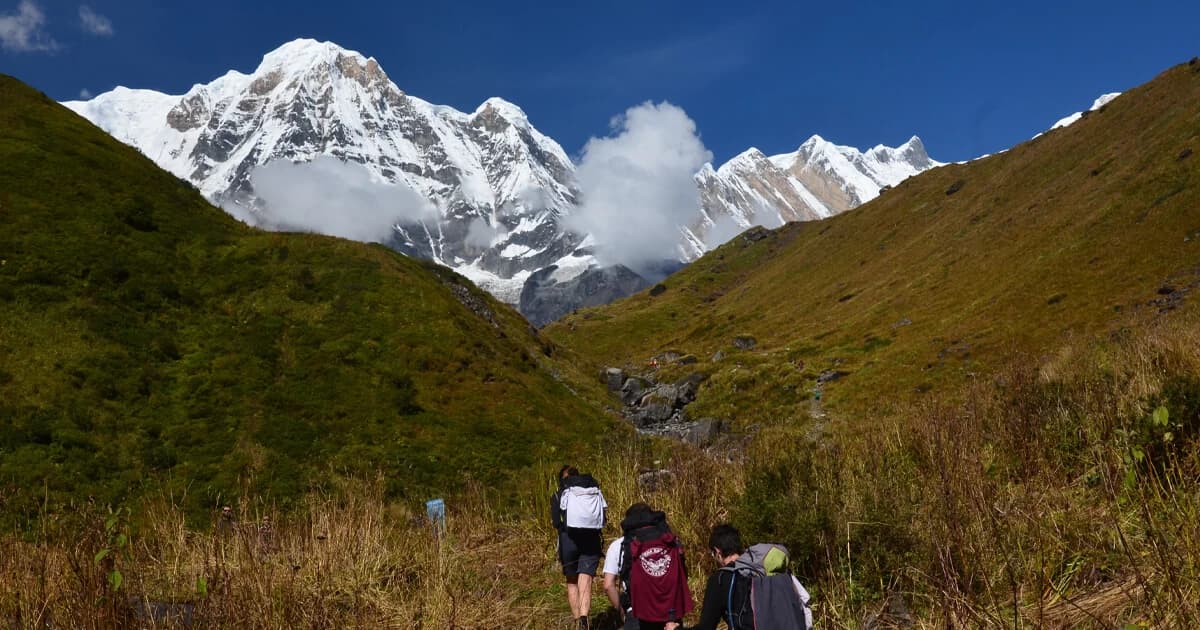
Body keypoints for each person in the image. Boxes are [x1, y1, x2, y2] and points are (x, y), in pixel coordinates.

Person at [687, 524, 812, 630]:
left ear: (718, 551)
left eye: (713, 554)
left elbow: (706, 626)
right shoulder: (764, 569)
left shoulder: (719, 579)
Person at [552, 465, 607, 630]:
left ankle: (577, 621)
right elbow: (603, 517)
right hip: (591, 539)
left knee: (571, 581)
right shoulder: (593, 491)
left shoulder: (558, 495)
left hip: (568, 540)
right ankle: (584, 618)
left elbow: (556, 522)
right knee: (586, 578)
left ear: (562, 480)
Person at [619, 505, 691, 630]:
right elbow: (682, 569)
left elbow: (627, 575)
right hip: (672, 602)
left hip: (646, 607)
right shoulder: (666, 536)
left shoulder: (631, 539)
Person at [603, 503, 654, 630]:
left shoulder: (618, 546)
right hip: (667, 610)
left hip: (636, 611)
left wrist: (621, 611)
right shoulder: (666, 541)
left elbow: (608, 585)